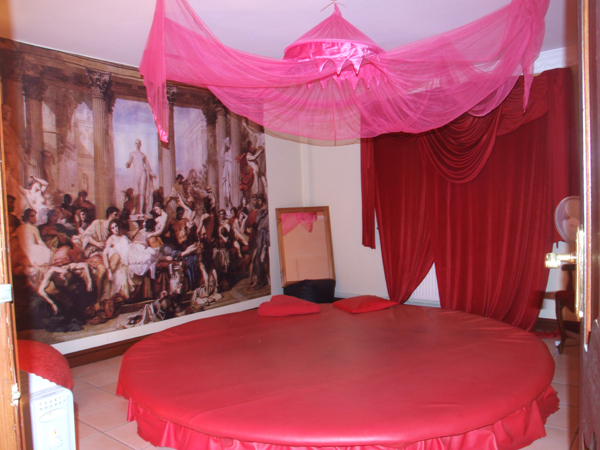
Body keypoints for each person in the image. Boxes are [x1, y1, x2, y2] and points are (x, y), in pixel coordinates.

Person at [125, 139, 156, 215]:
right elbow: (129, 162)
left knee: (142, 192)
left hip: (143, 173)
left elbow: (147, 165)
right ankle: (136, 210)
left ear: (140, 144)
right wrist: (127, 164)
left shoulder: (143, 155)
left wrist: (151, 174)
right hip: (137, 173)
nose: (137, 145)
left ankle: (141, 210)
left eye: (139, 143)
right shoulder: (132, 154)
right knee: (137, 192)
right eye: (136, 143)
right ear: (135, 144)